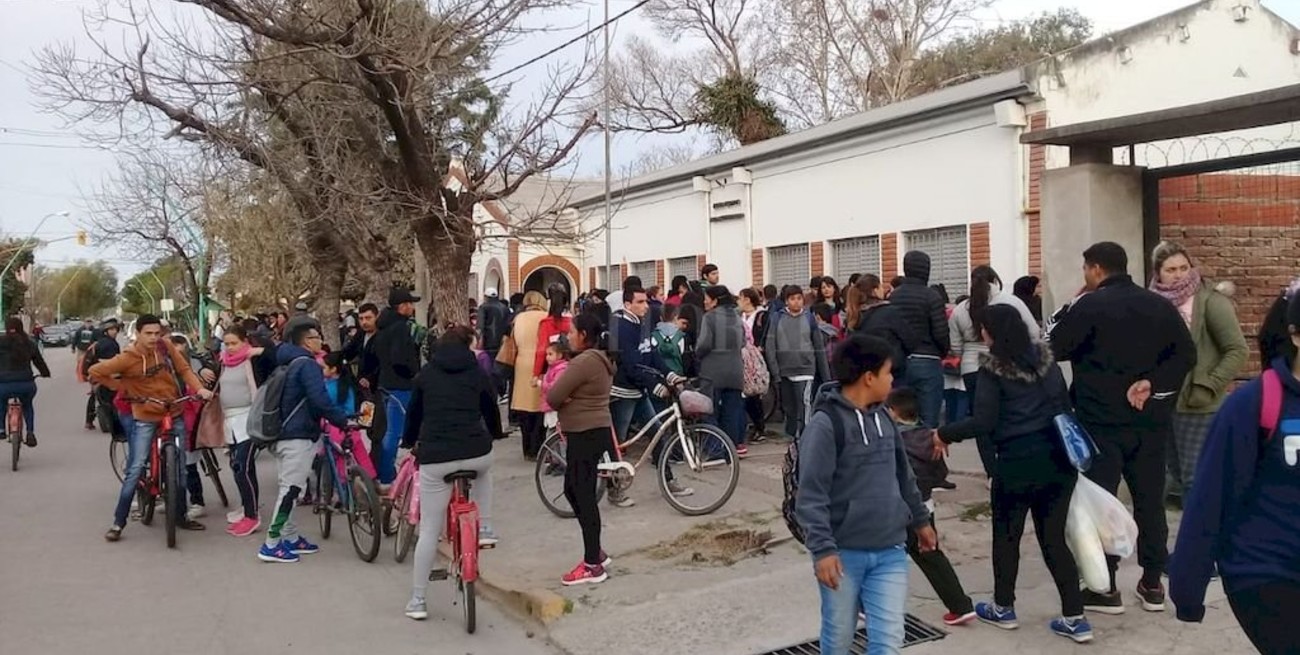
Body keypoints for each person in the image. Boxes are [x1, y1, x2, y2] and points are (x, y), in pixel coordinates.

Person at [1049, 241, 1196, 614]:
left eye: (1086, 269)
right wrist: (1154, 383)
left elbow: (1054, 345)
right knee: (1150, 501)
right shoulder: (1159, 305)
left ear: (1096, 269)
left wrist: (1072, 304)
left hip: (1100, 423)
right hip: (1149, 421)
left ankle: (1105, 586)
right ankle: (1152, 583)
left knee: (1103, 502)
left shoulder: (1089, 306)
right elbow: (1186, 355)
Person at [936, 304, 1092, 642]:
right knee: (1054, 539)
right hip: (1058, 459)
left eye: (984, 328)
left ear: (992, 332)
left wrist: (944, 434)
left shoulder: (993, 368)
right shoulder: (1047, 362)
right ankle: (1075, 617)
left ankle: (1003, 607)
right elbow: (1064, 406)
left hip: (1016, 461)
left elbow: (984, 421)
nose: (982, 334)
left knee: (1007, 536)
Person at [1169, 291, 1300, 654]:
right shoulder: (1253, 404)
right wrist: (1187, 584)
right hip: (1267, 573)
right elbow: (1210, 496)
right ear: (1295, 335)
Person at [795, 333, 936, 655]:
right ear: (869, 378)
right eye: (888, 372)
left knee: (888, 640)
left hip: (890, 550)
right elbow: (811, 495)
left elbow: (904, 475)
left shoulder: (885, 419)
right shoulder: (825, 425)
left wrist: (921, 521)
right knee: (839, 638)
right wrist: (823, 550)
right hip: (843, 555)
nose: (892, 380)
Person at [401, 325, 504, 619]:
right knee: (484, 471)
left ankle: (418, 600)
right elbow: (491, 408)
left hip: (436, 457)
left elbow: (414, 415)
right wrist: (495, 433)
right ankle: (485, 527)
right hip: (475, 450)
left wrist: (409, 441)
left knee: (429, 530)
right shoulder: (477, 372)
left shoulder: (426, 375)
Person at [93, 315, 214, 542]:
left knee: (180, 469)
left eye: (157, 333)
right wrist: (123, 387)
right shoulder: (128, 357)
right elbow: (95, 372)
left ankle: (180, 515)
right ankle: (118, 522)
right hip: (145, 416)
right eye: (148, 333)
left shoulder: (166, 347)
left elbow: (185, 369)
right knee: (136, 468)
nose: (154, 338)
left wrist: (200, 389)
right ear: (138, 333)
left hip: (174, 411)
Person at [1147, 241, 1248, 504]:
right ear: (1158, 273)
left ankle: (1201, 528)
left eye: (1184, 268)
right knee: (1172, 476)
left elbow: (1237, 350)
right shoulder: (1152, 302)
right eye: (1171, 270)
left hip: (1198, 403)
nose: (1179, 275)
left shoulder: (1210, 300)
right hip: (1162, 401)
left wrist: (1208, 385)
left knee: (1196, 477)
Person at [257, 323, 350, 563]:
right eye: (317, 337)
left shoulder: (287, 362)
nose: (320, 340)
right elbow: (319, 400)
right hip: (297, 436)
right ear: (307, 341)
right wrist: (342, 420)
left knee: (288, 487)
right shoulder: (308, 365)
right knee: (291, 490)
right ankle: (271, 543)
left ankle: (290, 537)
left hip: (281, 433)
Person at [887, 387, 976, 628]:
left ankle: (870, 605)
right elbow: (941, 474)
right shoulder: (930, 438)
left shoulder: (891, 440)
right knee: (930, 553)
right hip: (925, 506)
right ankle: (960, 605)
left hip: (897, 507)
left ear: (893, 412)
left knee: (882, 556)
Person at [545, 313, 617, 586]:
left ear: (584, 335)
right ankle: (595, 550)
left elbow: (553, 396)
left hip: (585, 432)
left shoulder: (585, 361)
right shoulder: (599, 359)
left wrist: (566, 399)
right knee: (573, 489)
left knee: (584, 496)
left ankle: (592, 565)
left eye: (572, 331)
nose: (569, 336)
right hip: (589, 431)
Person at [949, 266, 1040, 474]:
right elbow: (1034, 333)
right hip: (1007, 364)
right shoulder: (1011, 302)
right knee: (1010, 414)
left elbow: (955, 347)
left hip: (972, 367)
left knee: (981, 421)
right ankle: (1011, 466)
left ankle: (992, 472)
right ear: (995, 280)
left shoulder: (960, 309)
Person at [609, 286, 689, 503]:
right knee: (617, 444)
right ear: (628, 304)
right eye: (640, 302)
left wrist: (670, 375)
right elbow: (631, 366)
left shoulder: (641, 323)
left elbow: (652, 355)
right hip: (623, 393)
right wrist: (655, 386)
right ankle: (613, 490)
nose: (646, 306)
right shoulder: (621, 327)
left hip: (639, 391)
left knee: (657, 435)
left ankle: (669, 481)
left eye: (646, 301)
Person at [888, 252, 951, 430]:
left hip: (900, 361)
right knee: (929, 420)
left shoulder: (894, 297)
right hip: (928, 359)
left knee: (900, 417)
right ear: (927, 269)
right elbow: (940, 332)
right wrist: (942, 351)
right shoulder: (932, 296)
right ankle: (924, 446)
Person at [371, 286, 423, 488]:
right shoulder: (400, 327)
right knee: (395, 432)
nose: (412, 308)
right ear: (402, 306)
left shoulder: (383, 327)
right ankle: (387, 475)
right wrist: (413, 372)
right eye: (410, 304)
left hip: (386, 383)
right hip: (400, 385)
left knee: (390, 430)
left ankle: (386, 472)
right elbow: (400, 358)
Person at [765, 285, 830, 440]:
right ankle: (792, 434)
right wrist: (775, 371)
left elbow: (818, 346)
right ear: (786, 301)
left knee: (804, 402)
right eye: (792, 299)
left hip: (805, 368)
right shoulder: (777, 318)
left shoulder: (809, 318)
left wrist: (826, 376)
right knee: (789, 406)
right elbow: (770, 345)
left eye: (799, 298)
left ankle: (807, 435)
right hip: (784, 369)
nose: (796, 302)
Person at [217, 324, 264, 536]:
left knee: (242, 467)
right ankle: (247, 507)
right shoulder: (222, 362)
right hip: (230, 421)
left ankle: (252, 516)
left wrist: (258, 351)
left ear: (245, 341)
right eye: (226, 344)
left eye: (234, 343)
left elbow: (274, 354)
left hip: (249, 419)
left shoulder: (252, 359)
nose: (230, 347)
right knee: (239, 468)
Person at [698, 286, 747, 456]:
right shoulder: (737, 317)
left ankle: (714, 449)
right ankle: (730, 451)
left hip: (712, 372)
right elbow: (743, 342)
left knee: (708, 411)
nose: (704, 301)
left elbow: (704, 344)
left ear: (715, 301)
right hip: (735, 371)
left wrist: (697, 354)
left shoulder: (709, 317)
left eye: (706, 298)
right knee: (731, 413)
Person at [845, 274, 916, 378]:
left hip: (865, 374)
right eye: (881, 286)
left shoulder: (854, 316)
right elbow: (910, 340)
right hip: (891, 372)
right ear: (875, 290)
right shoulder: (889, 312)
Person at [508, 291, 549, 460]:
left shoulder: (518, 319)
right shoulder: (546, 317)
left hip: (521, 363)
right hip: (542, 363)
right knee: (540, 407)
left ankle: (527, 449)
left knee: (524, 408)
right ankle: (538, 446)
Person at [0, 318, 49, 446]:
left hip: (4, 384)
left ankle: (1, 429)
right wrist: (45, 373)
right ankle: (30, 432)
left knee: (1, 402)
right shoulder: (29, 343)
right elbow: (39, 362)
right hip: (26, 383)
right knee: (27, 405)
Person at [739, 287, 770, 442]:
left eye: (740, 298)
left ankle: (760, 426)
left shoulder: (761, 315)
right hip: (743, 357)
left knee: (754, 393)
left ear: (747, 299)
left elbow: (765, 333)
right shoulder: (740, 316)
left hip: (755, 357)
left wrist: (760, 347)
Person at [82, 318, 123, 434]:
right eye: (111, 329)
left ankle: (89, 421)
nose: (114, 332)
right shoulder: (110, 344)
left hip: (95, 376)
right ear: (105, 331)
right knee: (114, 398)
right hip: (107, 376)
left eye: (115, 329)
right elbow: (112, 363)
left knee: (94, 395)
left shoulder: (98, 343)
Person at [71, 318, 98, 429]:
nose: (88, 323)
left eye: (90, 322)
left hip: (90, 349)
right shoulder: (79, 330)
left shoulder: (94, 331)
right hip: (81, 349)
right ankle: (82, 374)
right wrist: (73, 347)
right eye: (87, 322)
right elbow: (75, 338)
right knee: (81, 363)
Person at [652, 303, 688, 376]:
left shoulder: (653, 335)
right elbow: (683, 354)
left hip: (658, 374)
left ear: (660, 318)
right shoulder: (681, 336)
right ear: (676, 317)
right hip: (677, 374)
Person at [477, 288, 509, 361]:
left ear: (486, 297)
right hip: (502, 343)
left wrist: (478, 341)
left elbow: (480, 326)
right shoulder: (505, 308)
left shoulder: (483, 307)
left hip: (488, 344)